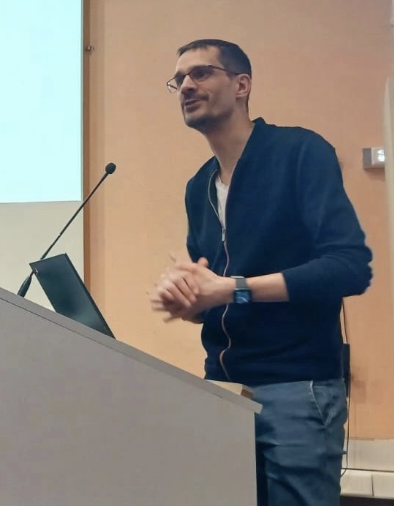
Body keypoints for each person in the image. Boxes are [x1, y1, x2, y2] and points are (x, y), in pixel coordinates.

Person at [149, 38, 373, 506]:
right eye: (179, 79)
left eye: (201, 73)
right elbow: (213, 294)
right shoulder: (199, 186)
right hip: (223, 387)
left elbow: (348, 268)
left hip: (296, 386)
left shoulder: (300, 152)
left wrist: (231, 289)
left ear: (242, 85)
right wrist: (188, 299)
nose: (186, 85)